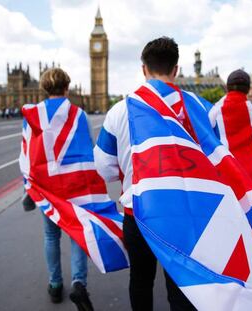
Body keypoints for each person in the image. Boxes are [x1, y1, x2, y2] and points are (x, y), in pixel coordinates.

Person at [94, 37, 196, 311]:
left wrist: (128, 170)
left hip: (138, 213)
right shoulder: (197, 108)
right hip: (185, 213)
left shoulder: (120, 110)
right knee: (182, 284)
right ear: (175, 69)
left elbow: (103, 167)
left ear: (143, 69)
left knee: (141, 280)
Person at [23, 68, 94, 310]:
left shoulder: (33, 114)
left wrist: (28, 188)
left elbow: (27, 155)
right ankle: (79, 283)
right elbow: (88, 152)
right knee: (76, 234)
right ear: (66, 88)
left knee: (51, 235)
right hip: (74, 187)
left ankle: (55, 285)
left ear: (44, 89)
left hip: (47, 188)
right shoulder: (79, 114)